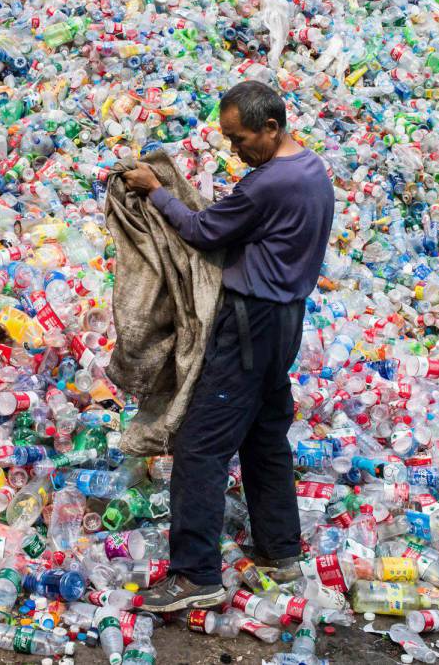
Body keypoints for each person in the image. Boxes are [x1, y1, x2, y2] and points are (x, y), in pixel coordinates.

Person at [120, 81, 335, 612]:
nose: (235, 150)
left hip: (249, 324)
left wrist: (156, 189)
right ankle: (280, 552)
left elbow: (200, 229)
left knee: (200, 446)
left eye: (241, 139)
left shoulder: (268, 185)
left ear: (272, 128)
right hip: (286, 320)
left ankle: (195, 576)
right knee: (265, 437)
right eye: (228, 139)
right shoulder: (312, 169)